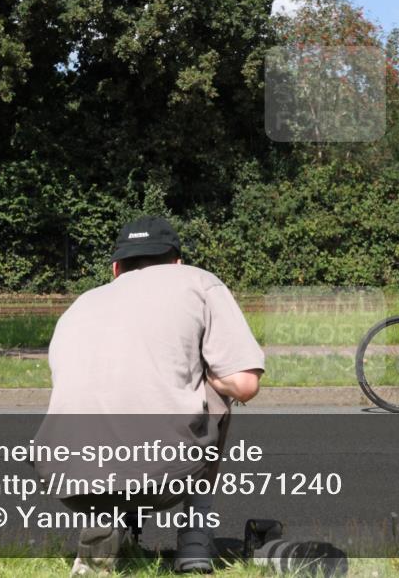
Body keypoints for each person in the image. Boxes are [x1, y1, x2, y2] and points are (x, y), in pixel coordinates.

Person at [35, 215, 265, 576]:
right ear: (177, 263)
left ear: (115, 269)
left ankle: (109, 519)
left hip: (66, 476)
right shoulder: (198, 282)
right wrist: (206, 377)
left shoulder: (80, 304)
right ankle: (194, 543)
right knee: (217, 391)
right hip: (158, 476)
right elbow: (246, 383)